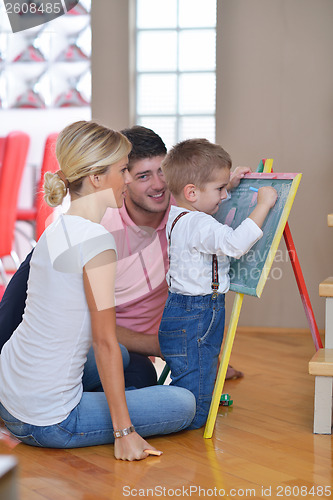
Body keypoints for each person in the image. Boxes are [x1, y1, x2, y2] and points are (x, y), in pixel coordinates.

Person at [0, 121, 196, 460]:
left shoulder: (57, 225)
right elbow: (103, 340)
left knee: (121, 356)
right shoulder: (97, 242)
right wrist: (125, 432)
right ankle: (112, 415)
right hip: (50, 421)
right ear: (96, 178)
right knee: (183, 405)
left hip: (9, 393)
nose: (127, 180)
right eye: (123, 170)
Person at [0, 125, 243, 385]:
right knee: (32, 267)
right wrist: (158, 344)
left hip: (129, 351)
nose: (159, 184)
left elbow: (204, 278)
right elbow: (87, 323)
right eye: (143, 176)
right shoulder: (100, 225)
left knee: (142, 377)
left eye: (162, 171)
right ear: (124, 180)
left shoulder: (184, 216)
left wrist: (229, 184)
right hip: (94, 335)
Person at [159, 138, 277, 429]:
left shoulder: (179, 214)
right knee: (199, 376)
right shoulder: (201, 224)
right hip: (201, 311)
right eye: (220, 189)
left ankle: (178, 401)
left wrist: (231, 184)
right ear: (192, 192)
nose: (224, 196)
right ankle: (182, 417)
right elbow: (235, 244)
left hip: (177, 307)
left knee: (189, 369)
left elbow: (205, 201)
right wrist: (263, 205)